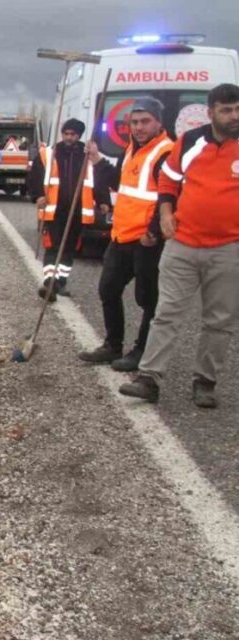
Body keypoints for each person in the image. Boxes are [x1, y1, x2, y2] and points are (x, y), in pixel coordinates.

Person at [119, 83, 239, 407]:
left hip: (229, 248)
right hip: (183, 244)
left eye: (238, 109)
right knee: (167, 312)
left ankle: (205, 381)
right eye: (227, 110)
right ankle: (149, 378)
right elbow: (168, 178)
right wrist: (165, 212)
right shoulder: (190, 141)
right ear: (211, 111)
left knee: (219, 320)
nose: (234, 116)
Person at [78, 97, 173, 372]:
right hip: (121, 236)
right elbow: (121, 183)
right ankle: (112, 345)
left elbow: (170, 197)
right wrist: (97, 160)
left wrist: (154, 231)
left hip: (147, 240)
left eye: (145, 121)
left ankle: (142, 351)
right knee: (108, 288)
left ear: (158, 122)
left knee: (148, 299)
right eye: (134, 122)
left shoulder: (166, 152)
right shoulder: (131, 149)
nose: (139, 127)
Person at [27, 118, 102, 300]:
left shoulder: (87, 155)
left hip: (77, 211)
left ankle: (60, 282)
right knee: (53, 246)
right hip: (54, 210)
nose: (68, 137)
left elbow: (98, 181)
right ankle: (49, 283)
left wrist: (103, 201)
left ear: (79, 135)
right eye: (66, 133)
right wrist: (38, 195)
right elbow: (35, 176)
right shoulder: (49, 154)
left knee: (69, 249)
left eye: (73, 134)